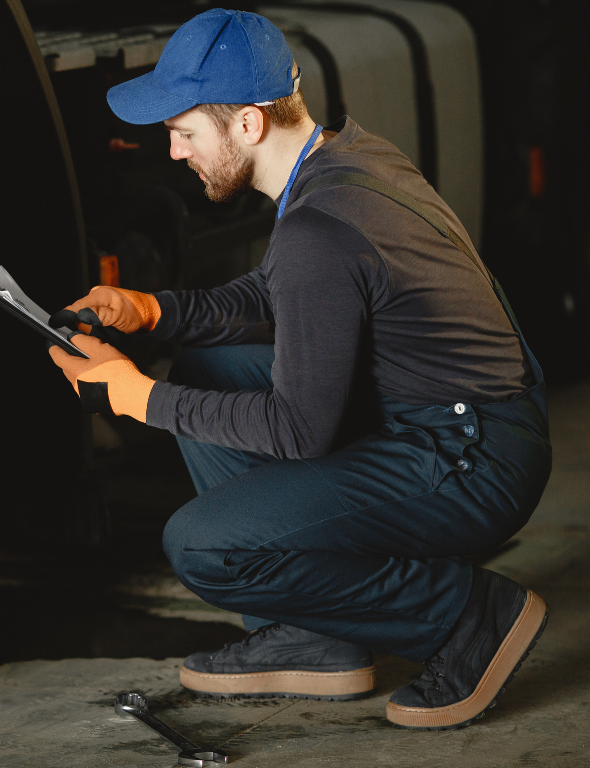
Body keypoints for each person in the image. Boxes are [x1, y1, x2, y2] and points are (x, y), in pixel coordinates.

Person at [46, 8, 551, 730]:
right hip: (467, 420)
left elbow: (299, 428)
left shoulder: (320, 227)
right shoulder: (342, 160)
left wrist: (140, 398)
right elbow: (279, 296)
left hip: (469, 457)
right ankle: (316, 633)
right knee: (208, 363)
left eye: (183, 132)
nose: (173, 152)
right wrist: (150, 311)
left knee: (201, 545)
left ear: (248, 124)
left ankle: (469, 618)